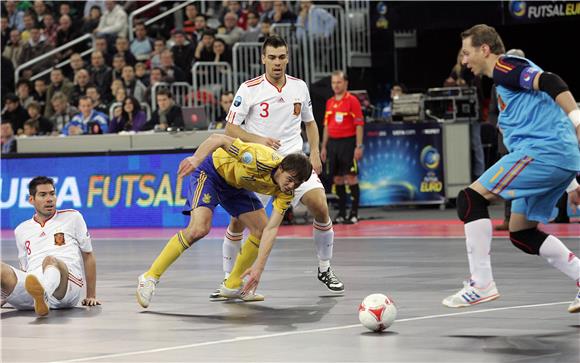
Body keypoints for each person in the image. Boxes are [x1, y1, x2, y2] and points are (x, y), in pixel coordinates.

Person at [442, 24, 580, 314]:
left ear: (485, 49)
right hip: (558, 158)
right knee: (521, 232)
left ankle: (481, 284)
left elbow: (551, 80)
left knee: (470, 199)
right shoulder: (504, 85)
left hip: (543, 154)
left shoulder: (505, 67)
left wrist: (578, 119)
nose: (464, 61)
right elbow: (545, 119)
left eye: (467, 53)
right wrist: (570, 183)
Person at [213, 35, 345, 300]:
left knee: (320, 205)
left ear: (288, 58)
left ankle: (325, 268)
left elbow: (310, 123)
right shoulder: (249, 89)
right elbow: (230, 128)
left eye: (281, 57)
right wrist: (260, 140)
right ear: (263, 58)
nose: (277, 62)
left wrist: (316, 152)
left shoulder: (299, 87)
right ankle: (229, 280)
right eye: (272, 57)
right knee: (238, 221)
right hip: (260, 167)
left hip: (294, 164)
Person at [135, 134, 312, 307]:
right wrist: (196, 159)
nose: (291, 186)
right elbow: (217, 139)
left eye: (297, 184)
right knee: (198, 229)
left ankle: (232, 285)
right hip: (211, 174)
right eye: (289, 180)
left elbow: (271, 230)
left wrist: (259, 268)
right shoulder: (256, 157)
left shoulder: (287, 192)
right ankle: (149, 277)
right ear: (280, 168)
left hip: (235, 187)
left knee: (260, 229)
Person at [0, 177, 100, 317]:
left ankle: (44, 293)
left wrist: (91, 295)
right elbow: (25, 270)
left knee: (50, 260)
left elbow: (88, 255)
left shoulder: (73, 217)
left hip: (65, 287)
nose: (49, 199)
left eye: (52, 193)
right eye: (43, 195)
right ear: (31, 200)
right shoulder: (21, 230)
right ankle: (40, 297)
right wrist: (8, 294)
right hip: (32, 291)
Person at [488, 48, 525, 231]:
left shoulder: (528, 86)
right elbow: (492, 113)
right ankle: (508, 218)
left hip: (525, 139)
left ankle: (523, 218)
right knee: (508, 179)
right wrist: (499, 126)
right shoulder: (497, 86)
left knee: (524, 180)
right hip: (505, 139)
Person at [321, 70, 364, 224]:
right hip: (333, 144)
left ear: (345, 83)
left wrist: (358, 146)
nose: (336, 85)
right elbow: (326, 125)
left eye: (339, 82)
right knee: (337, 178)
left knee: (351, 177)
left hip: (348, 142)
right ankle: (341, 212)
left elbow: (359, 125)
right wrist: (323, 147)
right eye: (333, 82)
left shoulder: (352, 100)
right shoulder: (330, 102)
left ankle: (354, 213)